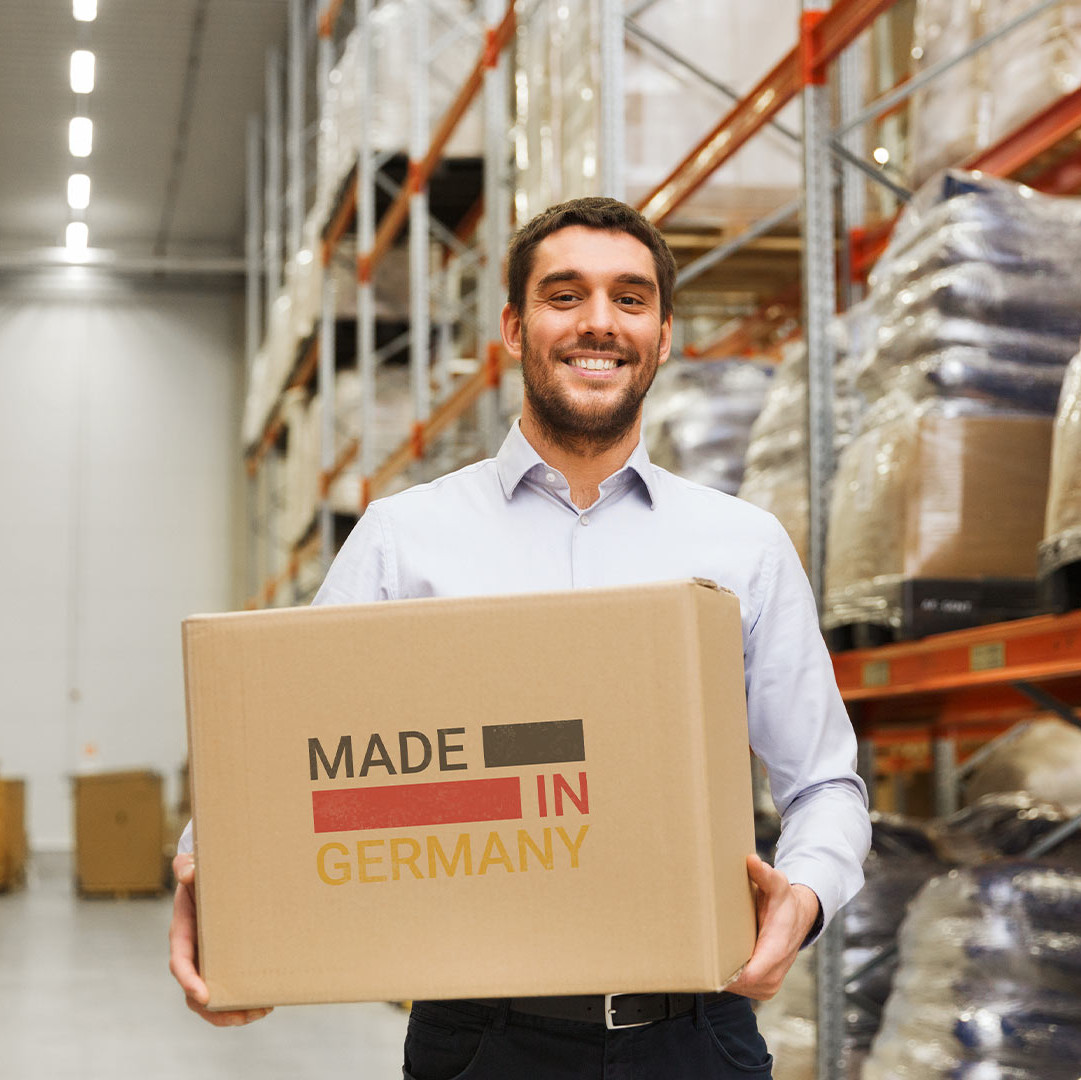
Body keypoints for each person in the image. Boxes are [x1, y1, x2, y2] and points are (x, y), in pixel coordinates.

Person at [170, 196, 871, 1077]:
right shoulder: (404, 537)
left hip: (694, 1036)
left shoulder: (742, 546)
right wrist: (216, 897)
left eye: (630, 298)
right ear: (513, 326)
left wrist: (800, 898)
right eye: (564, 295)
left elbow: (824, 783)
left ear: (662, 336)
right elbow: (282, 756)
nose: (599, 324)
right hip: (481, 1038)